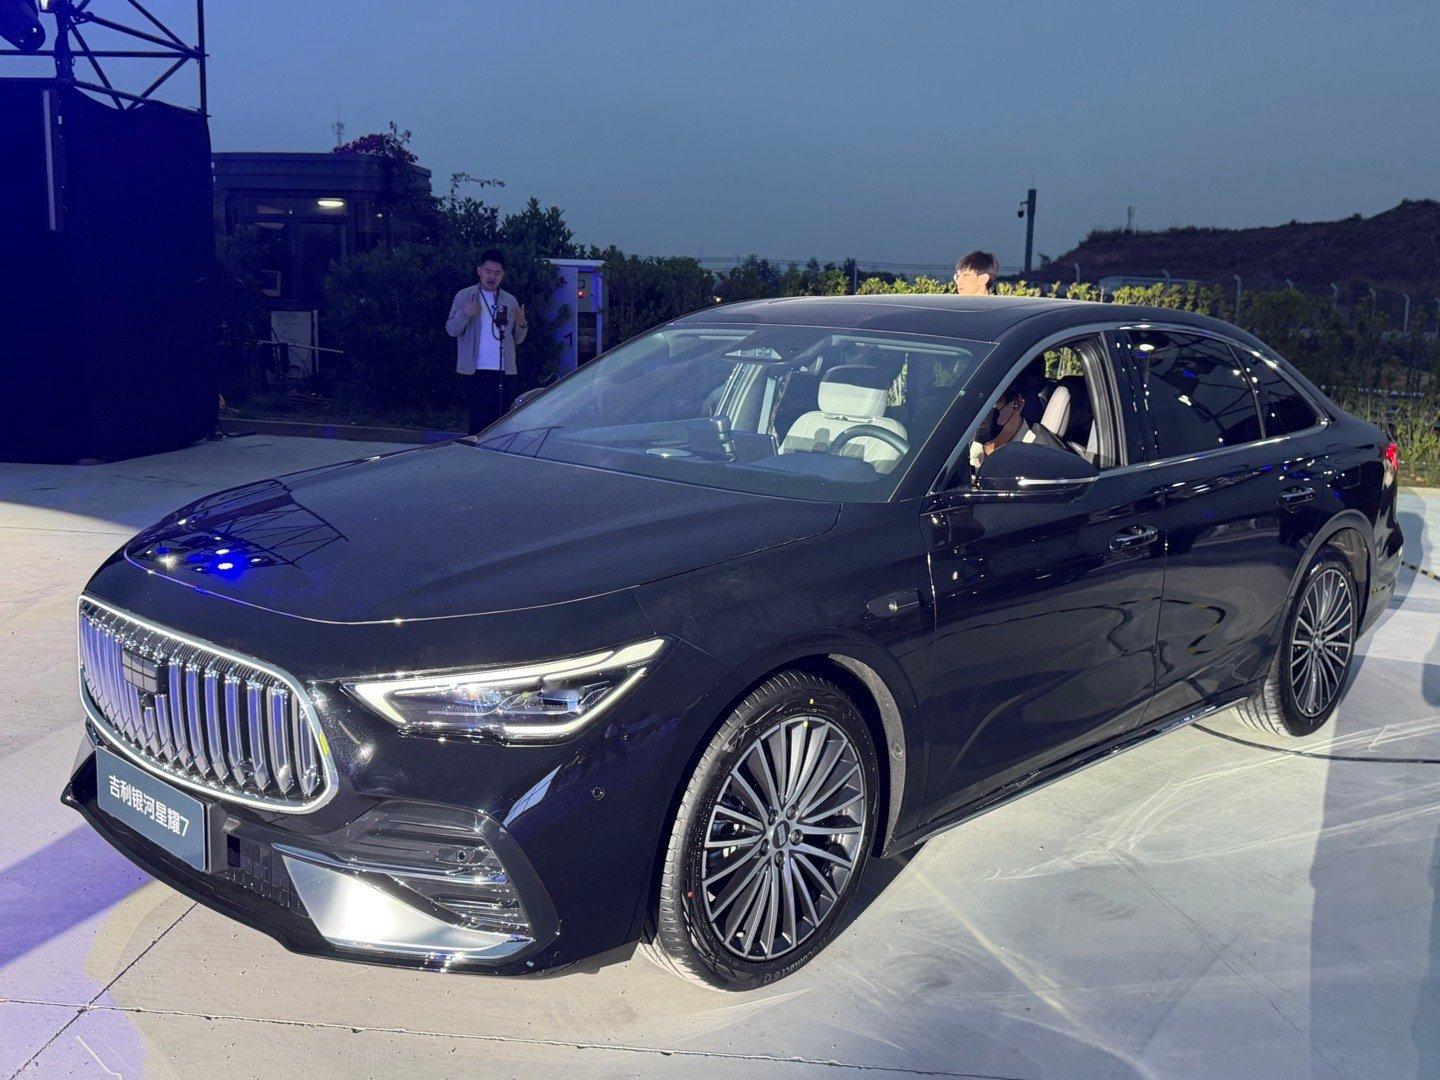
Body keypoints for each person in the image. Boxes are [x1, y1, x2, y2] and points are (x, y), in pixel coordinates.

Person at [445, 248, 528, 434]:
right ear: (479, 271)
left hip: (504, 370)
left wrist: (522, 323)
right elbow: (452, 330)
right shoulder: (465, 296)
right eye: (488, 271)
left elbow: (517, 340)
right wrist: (465, 313)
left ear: (503, 275)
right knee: (477, 422)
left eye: (497, 273)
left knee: (502, 422)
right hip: (475, 370)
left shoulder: (510, 300)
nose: (492, 277)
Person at [968, 365, 1065, 471]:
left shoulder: (1040, 457)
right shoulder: (964, 442)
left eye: (993, 402)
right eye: (975, 401)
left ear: (1018, 404)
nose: (981, 412)